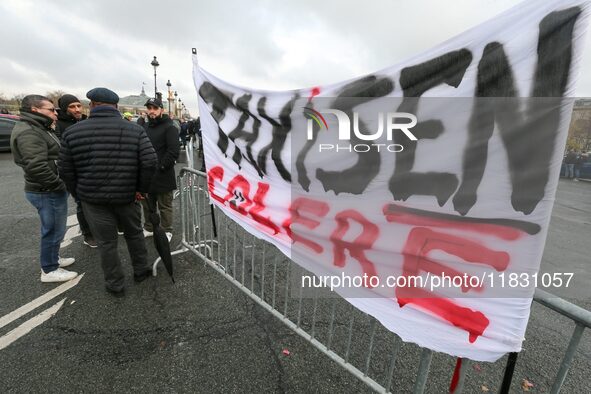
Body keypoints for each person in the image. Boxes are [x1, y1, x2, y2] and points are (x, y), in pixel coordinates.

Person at [59, 87, 158, 296]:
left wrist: (78, 192)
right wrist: (141, 189)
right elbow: (149, 162)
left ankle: (115, 283)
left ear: (92, 105)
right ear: (116, 106)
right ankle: (141, 270)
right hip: (127, 195)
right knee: (134, 234)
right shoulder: (135, 130)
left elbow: (66, 169)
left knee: (106, 243)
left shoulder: (73, 132)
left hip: (92, 198)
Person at [10, 95, 78, 283]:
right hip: (46, 190)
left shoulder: (39, 128)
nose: (55, 113)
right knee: (53, 230)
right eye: (50, 109)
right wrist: (59, 185)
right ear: (35, 110)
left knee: (55, 228)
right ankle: (49, 269)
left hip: (46, 188)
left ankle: (53, 259)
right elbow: (36, 166)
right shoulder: (30, 132)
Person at [55, 94, 97, 248]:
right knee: (81, 204)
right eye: (72, 107)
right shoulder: (59, 125)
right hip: (75, 171)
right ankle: (88, 234)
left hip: (90, 169)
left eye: (78, 105)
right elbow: (61, 151)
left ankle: (96, 230)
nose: (77, 109)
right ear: (65, 109)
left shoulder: (86, 121)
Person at [141, 97, 180, 242]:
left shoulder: (169, 127)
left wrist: (162, 166)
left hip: (163, 173)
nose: (151, 111)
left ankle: (167, 229)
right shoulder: (144, 127)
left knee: (165, 206)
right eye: (149, 108)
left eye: (155, 108)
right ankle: (149, 227)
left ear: (161, 110)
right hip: (146, 174)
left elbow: (173, 151)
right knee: (147, 205)